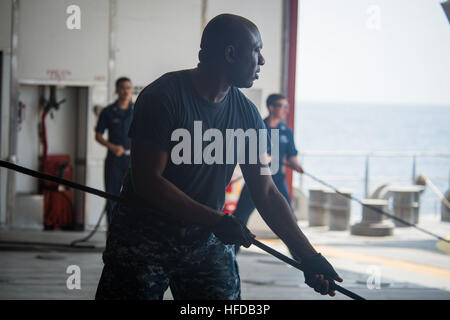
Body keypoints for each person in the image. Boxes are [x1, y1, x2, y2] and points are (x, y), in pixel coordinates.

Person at [95, 14, 342, 300]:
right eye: (256, 51)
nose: (262, 60)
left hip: (205, 239)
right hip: (145, 237)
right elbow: (148, 181)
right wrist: (216, 220)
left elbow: (266, 193)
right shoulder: (163, 97)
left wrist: (308, 257)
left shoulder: (247, 114)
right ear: (230, 53)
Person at [233, 93, 304, 257]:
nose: (286, 110)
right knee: (240, 216)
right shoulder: (259, 126)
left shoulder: (286, 131)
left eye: (287, 106)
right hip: (257, 179)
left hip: (278, 181)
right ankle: (230, 253)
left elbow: (291, 155)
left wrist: (296, 165)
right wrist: (262, 156)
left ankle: (300, 258)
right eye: (282, 106)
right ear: (271, 107)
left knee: (289, 219)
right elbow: (246, 152)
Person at [95, 77, 134, 225]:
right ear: (117, 90)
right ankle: (111, 236)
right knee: (112, 198)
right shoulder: (108, 111)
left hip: (132, 161)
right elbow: (98, 135)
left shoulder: (136, 110)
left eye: (129, 88)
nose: (126, 91)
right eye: (123, 88)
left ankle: (129, 235)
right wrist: (112, 147)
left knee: (133, 199)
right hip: (114, 160)